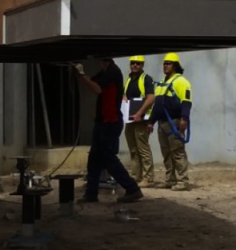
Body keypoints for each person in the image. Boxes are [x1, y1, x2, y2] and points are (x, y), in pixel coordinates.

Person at [73, 57, 144, 203]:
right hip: (102, 121)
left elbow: (97, 89)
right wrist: (80, 75)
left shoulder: (113, 72)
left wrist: (81, 75)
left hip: (110, 122)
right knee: (94, 160)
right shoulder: (104, 72)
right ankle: (91, 193)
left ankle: (132, 188)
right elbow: (92, 82)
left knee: (109, 159)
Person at [150, 52, 192, 191]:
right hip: (162, 124)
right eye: (164, 63)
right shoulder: (162, 82)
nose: (165, 66)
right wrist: (151, 122)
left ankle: (182, 181)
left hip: (174, 122)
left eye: (168, 63)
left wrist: (184, 119)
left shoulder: (181, 81)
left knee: (177, 152)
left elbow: (186, 102)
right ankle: (170, 179)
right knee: (166, 153)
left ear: (175, 65)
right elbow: (157, 105)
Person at [123, 55, 157, 187]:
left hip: (141, 119)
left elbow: (151, 98)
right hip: (130, 119)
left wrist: (139, 113)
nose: (135, 65)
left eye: (138, 63)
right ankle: (136, 176)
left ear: (142, 65)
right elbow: (128, 95)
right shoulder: (129, 79)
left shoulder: (146, 79)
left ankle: (148, 178)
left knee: (143, 149)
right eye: (133, 63)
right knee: (133, 149)